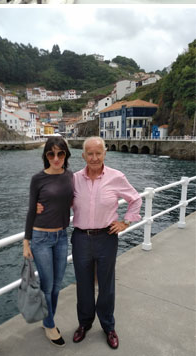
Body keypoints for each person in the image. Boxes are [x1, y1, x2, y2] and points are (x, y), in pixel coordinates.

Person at [71, 137, 142, 350]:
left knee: (106, 285)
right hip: (81, 238)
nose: (94, 158)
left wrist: (126, 222)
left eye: (98, 153)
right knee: (83, 285)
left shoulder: (116, 177)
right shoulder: (73, 179)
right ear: (83, 155)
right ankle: (84, 324)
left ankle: (108, 326)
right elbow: (60, 202)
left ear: (105, 153)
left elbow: (135, 199)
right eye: (90, 154)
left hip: (106, 237)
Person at [23, 136, 73, 347]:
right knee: (47, 285)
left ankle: (47, 319)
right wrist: (27, 241)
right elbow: (31, 210)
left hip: (62, 236)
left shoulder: (71, 176)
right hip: (41, 237)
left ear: (65, 155)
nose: (56, 158)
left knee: (56, 286)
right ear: (45, 156)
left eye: (60, 153)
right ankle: (50, 324)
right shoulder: (38, 179)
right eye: (51, 154)